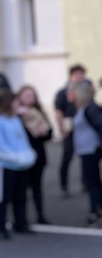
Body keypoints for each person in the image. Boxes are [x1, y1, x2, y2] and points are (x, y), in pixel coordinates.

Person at [71, 80, 102, 227]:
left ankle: (94, 212)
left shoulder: (89, 108)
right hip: (86, 149)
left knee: (91, 181)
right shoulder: (83, 108)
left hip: (91, 149)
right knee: (95, 179)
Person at [0, 88, 37, 239]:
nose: (18, 104)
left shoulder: (16, 119)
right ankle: (2, 227)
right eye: (15, 102)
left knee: (21, 196)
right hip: (7, 165)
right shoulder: (1, 121)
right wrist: (15, 157)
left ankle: (21, 223)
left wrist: (29, 154)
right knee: (4, 198)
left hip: (22, 164)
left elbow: (23, 140)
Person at [15, 85, 53, 224]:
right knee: (21, 189)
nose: (29, 98)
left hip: (38, 156)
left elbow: (50, 134)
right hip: (21, 158)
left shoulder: (39, 113)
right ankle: (21, 218)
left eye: (31, 96)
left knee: (37, 187)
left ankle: (40, 215)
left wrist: (44, 133)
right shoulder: (16, 116)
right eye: (26, 96)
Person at [54, 65, 89, 198]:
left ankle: (85, 183)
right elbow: (58, 112)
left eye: (81, 75)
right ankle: (64, 186)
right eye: (77, 75)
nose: (79, 77)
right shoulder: (62, 93)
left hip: (83, 129)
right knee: (67, 158)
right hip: (69, 128)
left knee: (85, 158)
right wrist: (62, 128)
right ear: (71, 76)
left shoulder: (86, 91)